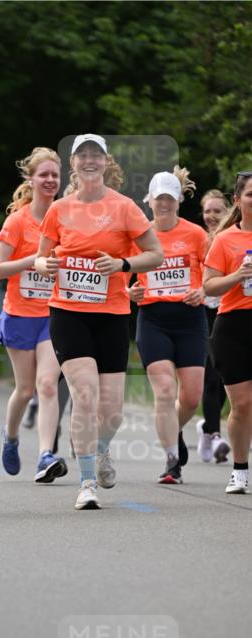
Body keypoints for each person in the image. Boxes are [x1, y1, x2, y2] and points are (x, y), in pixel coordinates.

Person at [34, 134, 163, 510]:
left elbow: (155, 254)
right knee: (85, 395)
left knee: (113, 410)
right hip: (68, 312)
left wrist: (123, 265)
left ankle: (101, 448)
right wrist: (48, 265)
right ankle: (86, 481)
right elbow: (40, 260)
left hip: (111, 314)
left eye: (96, 155)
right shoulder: (59, 210)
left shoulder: (124, 208)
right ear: (72, 164)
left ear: (106, 163)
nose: (89, 160)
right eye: (81, 155)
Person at [127, 167, 208, 484]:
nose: (164, 204)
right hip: (154, 319)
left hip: (190, 318)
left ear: (178, 201)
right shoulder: (140, 236)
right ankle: (172, 461)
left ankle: (172, 432)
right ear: (150, 200)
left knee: (190, 397)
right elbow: (122, 275)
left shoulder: (196, 234)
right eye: (159, 199)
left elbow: (212, 271)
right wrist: (129, 292)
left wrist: (204, 288)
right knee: (164, 391)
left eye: (169, 199)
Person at [0, 147, 67, 482]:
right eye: (44, 174)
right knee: (25, 390)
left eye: (55, 175)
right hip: (20, 314)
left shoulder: (67, 217)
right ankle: (10, 438)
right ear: (31, 179)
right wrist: (32, 262)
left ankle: (45, 456)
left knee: (48, 384)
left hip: (54, 315)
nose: (50, 180)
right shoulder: (18, 221)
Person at [203, 171, 252, 495]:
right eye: (251, 194)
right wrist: (237, 275)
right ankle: (239, 469)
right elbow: (208, 285)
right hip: (234, 325)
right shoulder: (225, 240)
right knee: (243, 403)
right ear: (238, 200)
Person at [197, 189, 232, 463]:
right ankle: (217, 435)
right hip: (203, 313)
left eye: (217, 211)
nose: (211, 216)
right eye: (207, 211)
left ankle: (208, 428)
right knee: (210, 376)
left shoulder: (235, 238)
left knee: (223, 378)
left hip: (230, 311)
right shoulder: (198, 239)